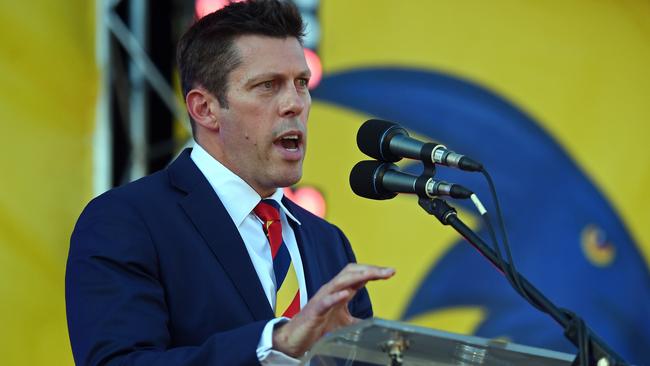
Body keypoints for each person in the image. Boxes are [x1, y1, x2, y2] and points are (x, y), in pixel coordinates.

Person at [65, 1, 395, 365]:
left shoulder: (328, 243)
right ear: (205, 108)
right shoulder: (127, 221)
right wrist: (277, 341)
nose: (295, 104)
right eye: (268, 85)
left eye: (301, 83)